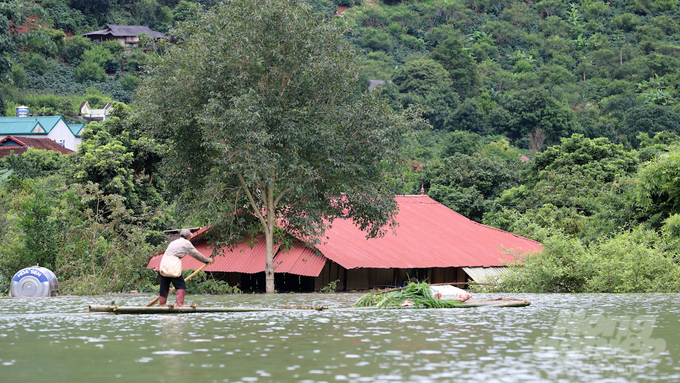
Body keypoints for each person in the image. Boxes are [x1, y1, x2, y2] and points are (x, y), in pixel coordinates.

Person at [158, 228, 214, 307]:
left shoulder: (173, 242)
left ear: (180, 235)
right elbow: (195, 254)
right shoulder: (187, 243)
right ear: (189, 237)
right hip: (172, 263)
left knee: (164, 284)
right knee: (181, 285)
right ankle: (180, 305)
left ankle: (162, 304)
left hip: (164, 262)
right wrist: (207, 260)